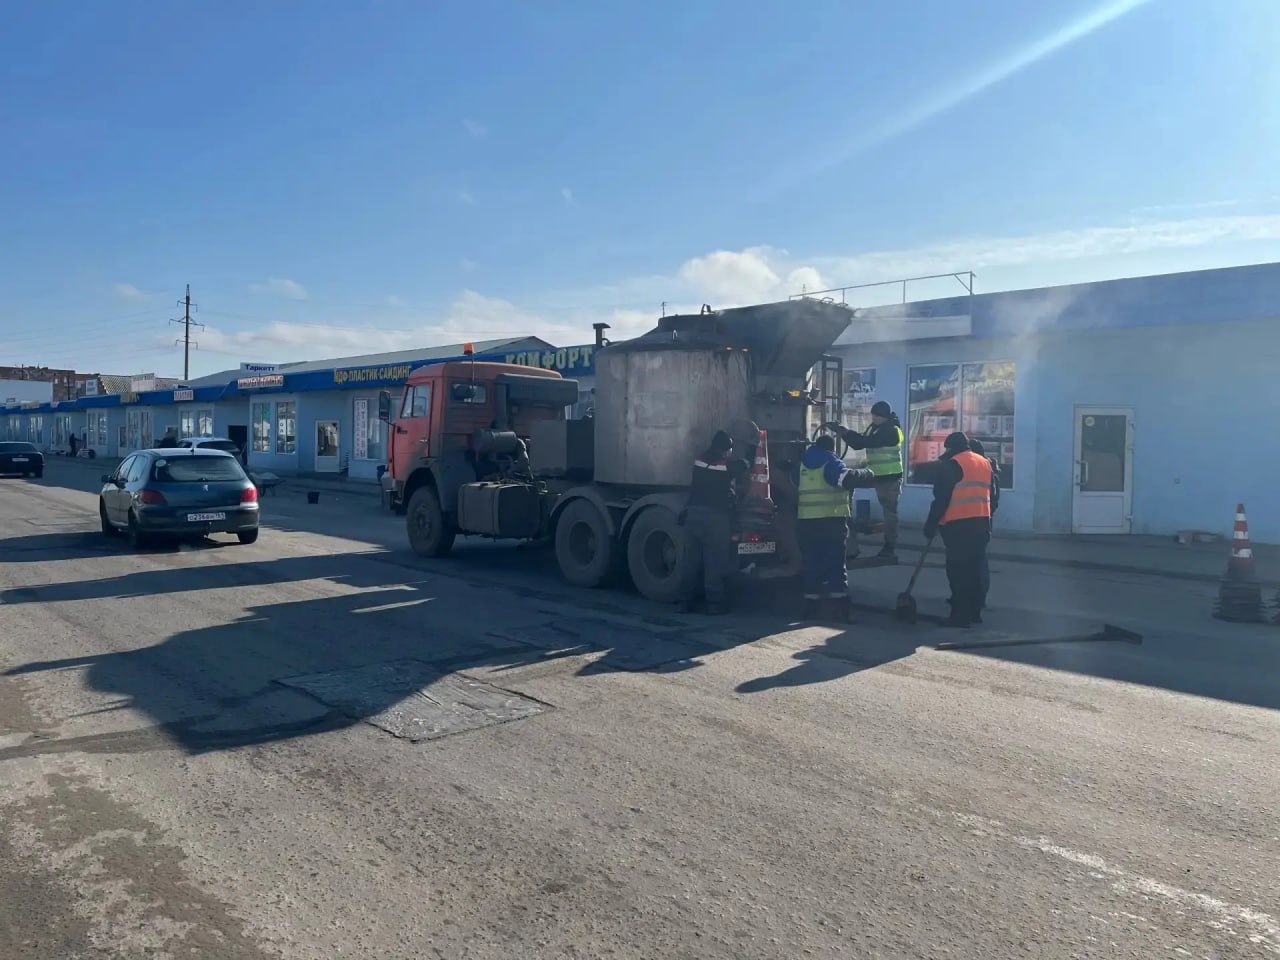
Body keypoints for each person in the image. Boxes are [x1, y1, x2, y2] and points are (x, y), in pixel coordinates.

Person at [796, 433, 876, 621]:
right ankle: (839, 610)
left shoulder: (801, 464)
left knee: (811, 563)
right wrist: (867, 473)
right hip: (831, 521)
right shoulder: (830, 462)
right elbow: (846, 479)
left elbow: (793, 482)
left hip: (807, 522)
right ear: (831, 448)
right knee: (835, 563)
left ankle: (810, 607)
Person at [923, 432, 997, 627]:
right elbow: (992, 496)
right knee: (975, 571)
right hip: (982, 524)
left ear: (950, 448)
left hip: (958, 526)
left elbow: (941, 499)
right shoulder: (984, 463)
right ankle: (975, 613)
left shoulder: (952, 465)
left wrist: (930, 525)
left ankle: (960, 616)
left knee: (958, 573)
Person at [679, 430, 749, 614]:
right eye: (730, 450)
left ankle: (683, 602)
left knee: (690, 562)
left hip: (693, 515)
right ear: (725, 450)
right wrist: (749, 453)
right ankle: (714, 604)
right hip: (715, 519)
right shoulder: (725, 466)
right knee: (714, 563)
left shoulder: (699, 461)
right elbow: (743, 465)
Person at [825, 400, 904, 560]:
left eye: (876, 416)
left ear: (884, 416)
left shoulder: (891, 431)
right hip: (874, 474)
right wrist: (844, 432)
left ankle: (889, 546)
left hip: (889, 477)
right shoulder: (876, 427)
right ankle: (851, 544)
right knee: (848, 485)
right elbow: (859, 443)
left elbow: (866, 442)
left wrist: (845, 432)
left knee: (890, 512)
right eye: (873, 415)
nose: (873, 418)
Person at [967, 439, 1001, 614]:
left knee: (975, 562)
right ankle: (977, 597)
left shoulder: (982, 471)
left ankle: (976, 598)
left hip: (974, 522)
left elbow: (992, 500)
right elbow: (994, 501)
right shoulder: (989, 470)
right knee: (978, 560)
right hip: (984, 522)